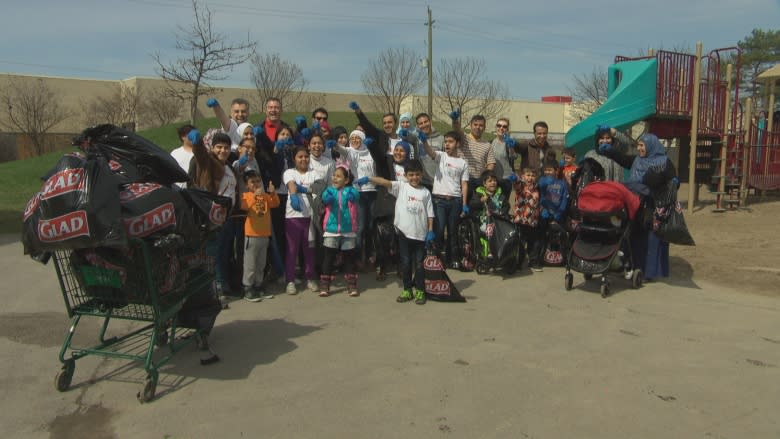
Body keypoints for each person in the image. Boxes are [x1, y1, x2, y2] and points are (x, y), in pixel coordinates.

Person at [599, 133, 676, 281]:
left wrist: (674, 182)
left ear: (651, 146)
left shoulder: (664, 162)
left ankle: (648, 272)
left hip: (653, 207)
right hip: (634, 203)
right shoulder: (637, 160)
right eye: (639, 145)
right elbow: (622, 158)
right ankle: (630, 266)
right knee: (631, 236)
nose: (639, 148)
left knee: (651, 240)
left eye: (642, 145)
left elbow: (672, 179)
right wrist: (609, 151)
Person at [357, 160, 434, 305]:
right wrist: (369, 178)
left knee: (419, 265)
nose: (414, 178)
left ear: (422, 175)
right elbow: (384, 182)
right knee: (405, 263)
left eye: (417, 175)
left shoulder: (425, 192)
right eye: (411, 175)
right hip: (404, 234)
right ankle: (407, 290)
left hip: (421, 235)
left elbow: (430, 213)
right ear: (405, 175)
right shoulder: (401, 187)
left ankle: (420, 291)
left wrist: (430, 231)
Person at [187, 129, 238, 304]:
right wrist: (197, 143)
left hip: (226, 219)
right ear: (212, 148)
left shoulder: (229, 167)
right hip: (209, 218)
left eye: (226, 147)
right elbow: (201, 155)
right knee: (210, 256)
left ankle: (222, 286)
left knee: (222, 254)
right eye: (219, 147)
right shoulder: (209, 162)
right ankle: (212, 293)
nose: (223, 151)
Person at [419, 129, 470, 269]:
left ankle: (453, 259)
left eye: (450, 142)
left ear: (457, 144)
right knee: (440, 230)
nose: (447, 144)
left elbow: (464, 184)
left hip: (455, 201)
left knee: (452, 231)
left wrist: (464, 203)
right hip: (439, 201)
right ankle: (436, 258)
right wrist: (424, 141)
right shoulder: (441, 156)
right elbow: (431, 152)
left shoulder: (463, 163)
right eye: (445, 142)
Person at [283, 146, 320, 294]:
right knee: (292, 250)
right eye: (300, 157)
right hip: (293, 217)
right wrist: (293, 195)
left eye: (306, 156)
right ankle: (290, 281)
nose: (303, 159)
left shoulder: (314, 173)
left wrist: (304, 190)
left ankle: (310, 278)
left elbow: (316, 189)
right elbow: (291, 184)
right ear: (294, 159)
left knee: (309, 250)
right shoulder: (289, 172)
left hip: (310, 218)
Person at [319, 165, 360, 297]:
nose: (334, 178)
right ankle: (325, 285)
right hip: (331, 230)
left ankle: (352, 284)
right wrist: (327, 198)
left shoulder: (350, 191)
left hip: (348, 230)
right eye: (334, 175)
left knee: (349, 259)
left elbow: (356, 196)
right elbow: (324, 198)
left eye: (338, 176)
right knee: (328, 258)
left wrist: (352, 193)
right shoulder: (329, 191)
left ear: (346, 180)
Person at [239, 170, 279, 302]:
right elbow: (245, 207)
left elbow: (275, 203)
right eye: (252, 182)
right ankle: (248, 287)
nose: (256, 184)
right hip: (252, 235)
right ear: (247, 185)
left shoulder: (265, 196)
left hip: (264, 234)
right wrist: (254, 196)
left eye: (257, 181)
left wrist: (272, 192)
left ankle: (258, 285)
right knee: (250, 263)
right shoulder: (246, 196)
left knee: (261, 263)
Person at [451, 110, 496, 192]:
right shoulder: (464, 138)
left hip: (479, 182)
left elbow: (491, 164)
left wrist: (486, 179)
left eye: (481, 125)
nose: (478, 127)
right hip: (462, 180)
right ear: (470, 126)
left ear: (484, 128)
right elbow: (457, 130)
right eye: (475, 125)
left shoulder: (487, 145)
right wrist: (455, 120)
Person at [469, 170, 511, 259]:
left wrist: (502, 213)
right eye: (490, 181)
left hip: (499, 220)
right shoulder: (479, 194)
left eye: (495, 181)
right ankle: (490, 251)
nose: (493, 183)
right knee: (489, 230)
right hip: (484, 220)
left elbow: (506, 206)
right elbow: (472, 204)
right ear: (484, 184)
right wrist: (480, 201)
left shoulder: (500, 195)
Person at [538, 158, 570, 268]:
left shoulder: (562, 184)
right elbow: (540, 197)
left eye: (550, 170)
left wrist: (558, 214)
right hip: (545, 214)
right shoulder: (541, 181)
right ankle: (541, 257)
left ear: (556, 171)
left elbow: (564, 201)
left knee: (560, 236)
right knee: (542, 236)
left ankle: (564, 257)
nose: (547, 172)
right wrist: (544, 209)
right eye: (545, 170)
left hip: (558, 216)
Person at [512, 168, 541, 271]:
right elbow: (516, 185)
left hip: (533, 221)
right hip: (521, 221)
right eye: (528, 175)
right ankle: (517, 263)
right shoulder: (521, 187)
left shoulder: (537, 188)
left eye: (533, 175)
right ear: (523, 176)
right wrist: (515, 180)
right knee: (520, 243)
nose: (530, 178)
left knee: (534, 243)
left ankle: (533, 262)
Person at [415, 112, 444, 190]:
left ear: (430, 122)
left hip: (439, 182)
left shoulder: (441, 138)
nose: (424, 125)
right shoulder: (416, 139)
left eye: (426, 122)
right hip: (422, 182)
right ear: (417, 126)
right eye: (421, 123)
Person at [491, 117, 518, 194]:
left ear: (507, 129)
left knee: (502, 204)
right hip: (493, 180)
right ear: (496, 127)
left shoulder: (509, 143)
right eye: (499, 125)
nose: (501, 128)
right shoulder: (490, 142)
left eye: (504, 126)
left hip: (505, 180)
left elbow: (513, 157)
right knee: (492, 205)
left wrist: (511, 147)